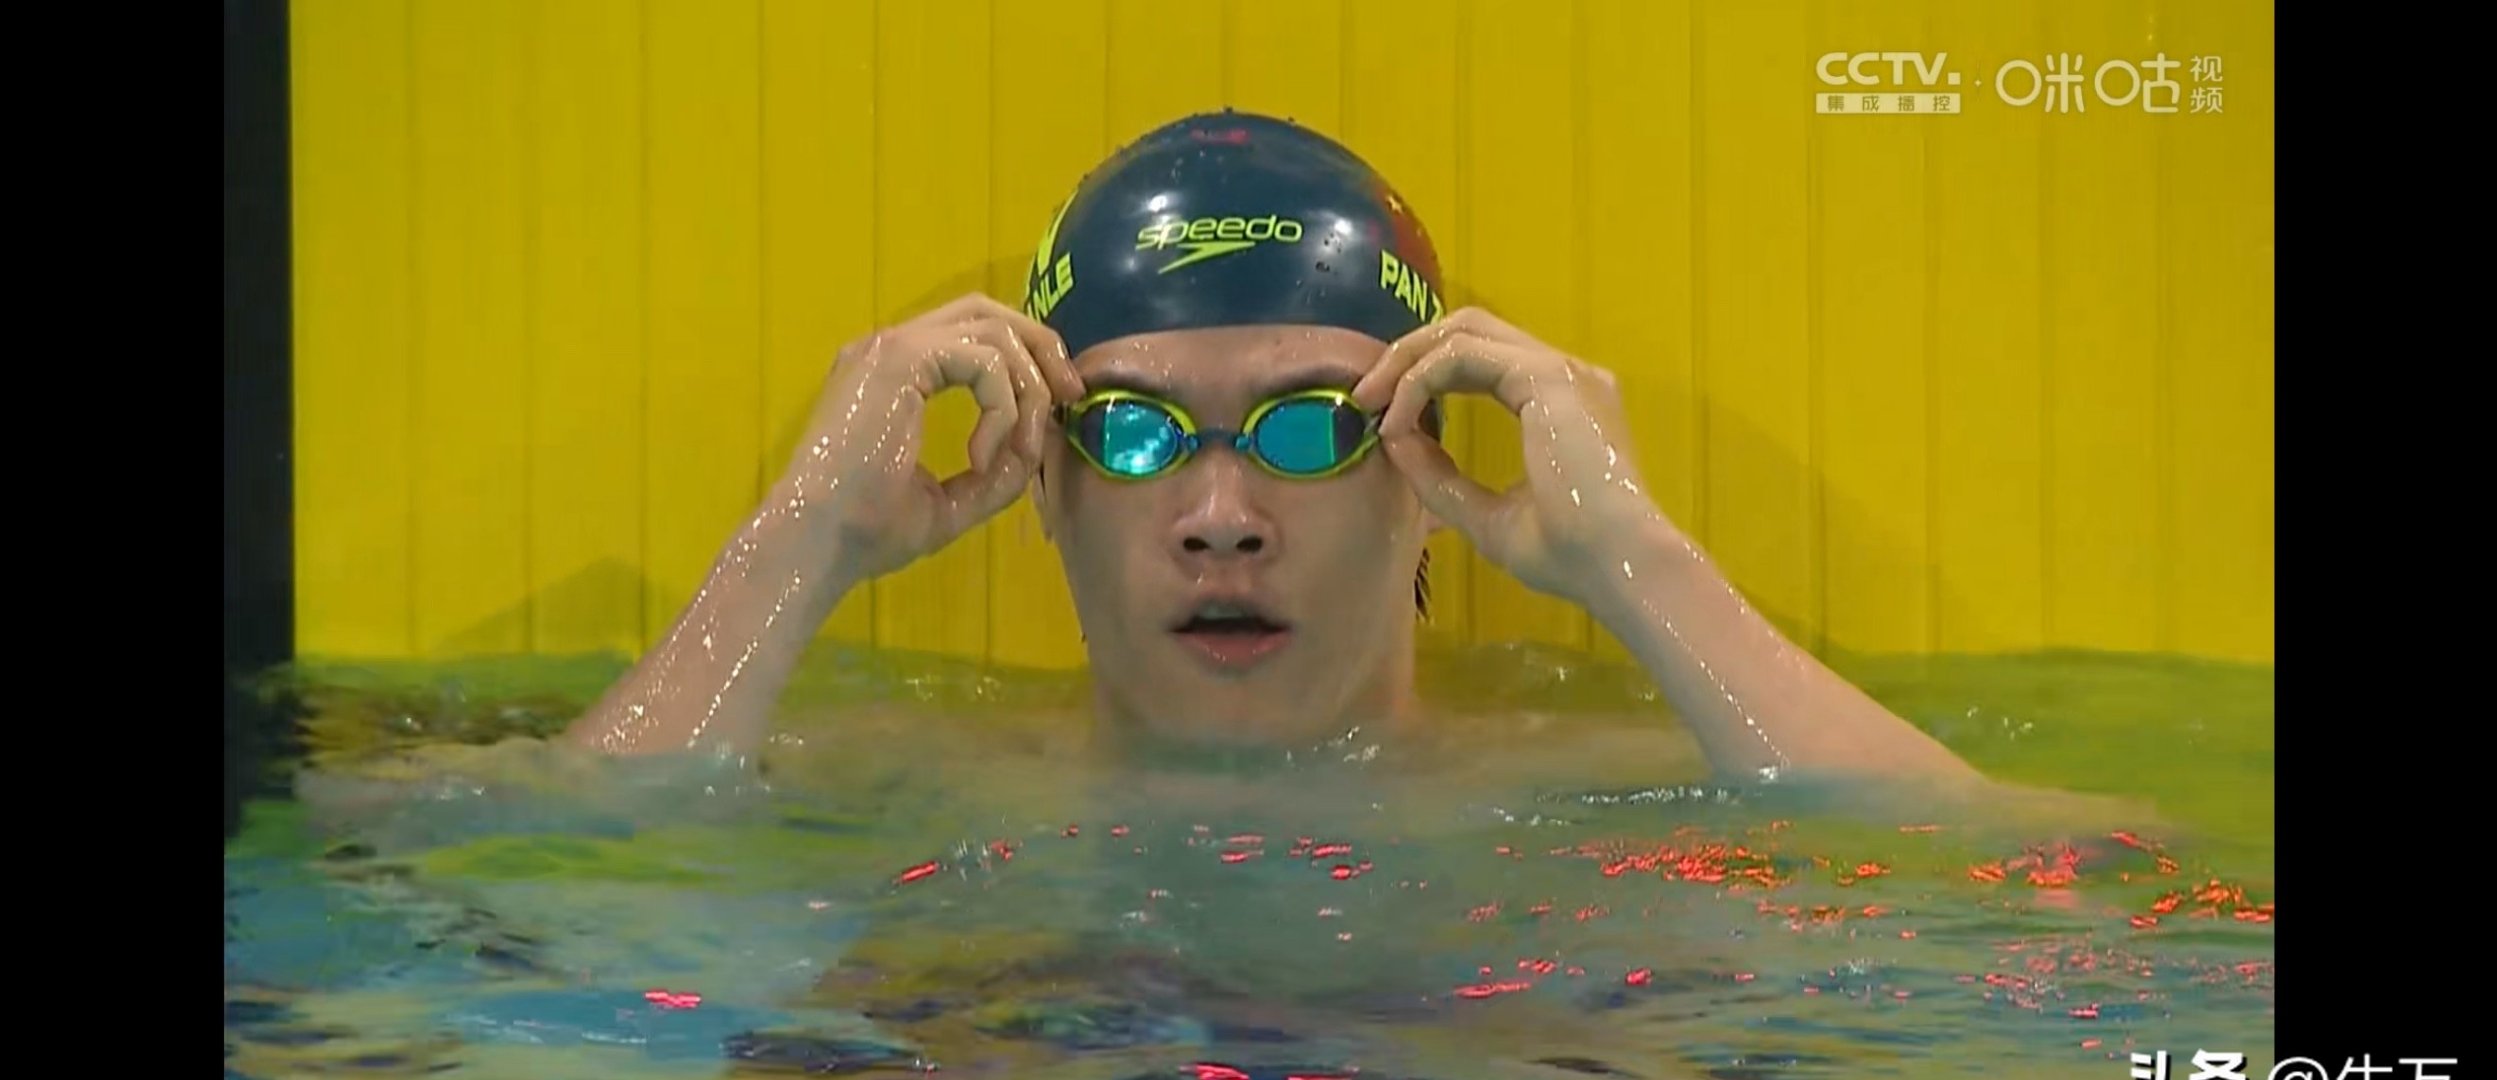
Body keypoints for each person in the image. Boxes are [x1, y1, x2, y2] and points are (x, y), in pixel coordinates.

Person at [561, 109, 1982, 796]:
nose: (1222, 518)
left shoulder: (1593, 797)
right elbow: (544, 881)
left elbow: (2005, 893)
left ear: (1427, 478)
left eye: (1309, 426)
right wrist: (800, 542)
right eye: (1133, 431)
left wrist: (1638, 562)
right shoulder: (896, 793)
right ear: (1041, 480)